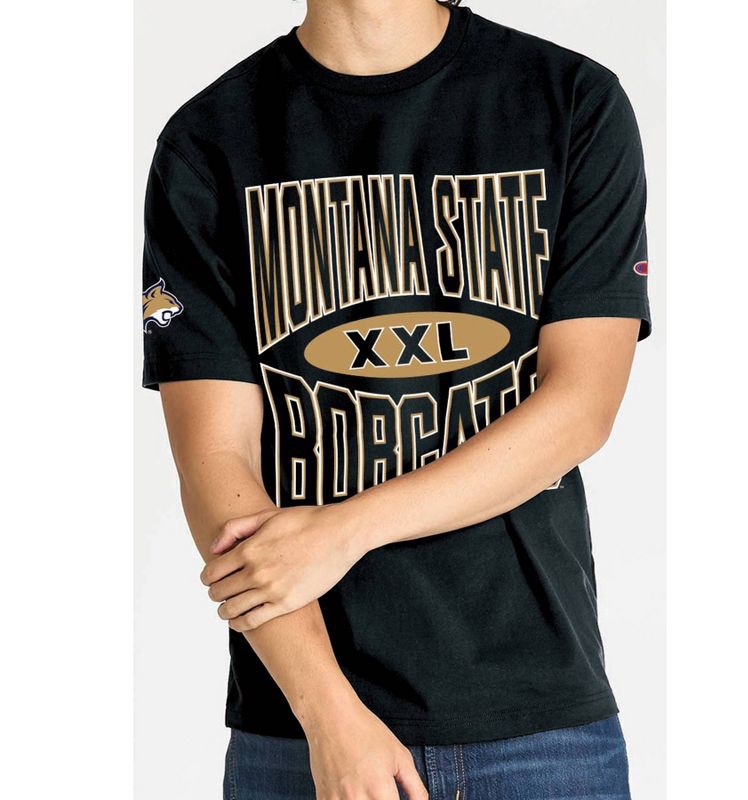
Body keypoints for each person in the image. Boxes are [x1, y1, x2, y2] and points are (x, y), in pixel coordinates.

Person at [141, 0, 651, 797]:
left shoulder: (569, 99)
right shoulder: (209, 138)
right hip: (301, 730)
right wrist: (329, 715)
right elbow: (213, 460)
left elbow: (581, 408)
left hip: (538, 725)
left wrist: (347, 529)